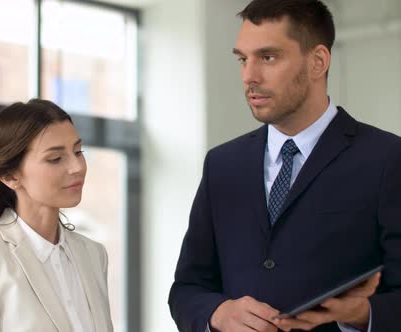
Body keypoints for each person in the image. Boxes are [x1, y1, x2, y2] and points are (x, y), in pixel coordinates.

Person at [168, 0, 401, 331]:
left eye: (268, 57)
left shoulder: (388, 159)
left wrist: (361, 314)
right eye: (242, 59)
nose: (249, 76)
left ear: (318, 61)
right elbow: (187, 289)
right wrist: (218, 313)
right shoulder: (222, 165)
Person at [0, 99, 114, 332]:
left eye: (78, 151)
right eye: (55, 159)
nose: (77, 167)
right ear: (10, 176)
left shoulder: (93, 255)